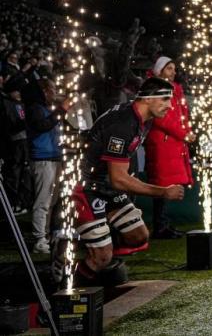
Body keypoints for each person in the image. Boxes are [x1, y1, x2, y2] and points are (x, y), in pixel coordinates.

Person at [68, 77, 185, 286]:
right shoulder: (123, 123)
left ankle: (100, 255)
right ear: (148, 99)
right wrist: (163, 192)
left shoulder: (142, 118)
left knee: (138, 236)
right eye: (165, 99)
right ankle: (71, 291)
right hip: (87, 188)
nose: (169, 105)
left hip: (106, 185)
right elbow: (118, 179)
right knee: (101, 257)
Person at [144, 57, 194, 239]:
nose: (173, 72)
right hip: (163, 142)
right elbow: (161, 118)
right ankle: (160, 226)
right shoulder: (155, 90)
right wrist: (184, 133)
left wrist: (186, 131)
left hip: (171, 142)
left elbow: (180, 116)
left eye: (174, 68)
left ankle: (163, 224)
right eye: (169, 68)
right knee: (161, 183)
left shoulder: (173, 91)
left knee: (167, 183)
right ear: (160, 71)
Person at [25, 79, 70, 253]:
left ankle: (47, 235)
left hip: (53, 157)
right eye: (52, 89)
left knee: (51, 200)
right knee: (43, 201)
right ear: (44, 90)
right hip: (42, 159)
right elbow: (42, 126)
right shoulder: (35, 109)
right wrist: (61, 110)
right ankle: (39, 239)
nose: (54, 92)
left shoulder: (45, 108)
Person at [0, 74, 32, 214]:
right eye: (17, 91)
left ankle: (22, 202)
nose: (19, 94)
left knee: (24, 174)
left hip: (24, 142)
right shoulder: (6, 103)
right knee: (14, 174)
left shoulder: (21, 103)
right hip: (14, 144)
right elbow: (9, 125)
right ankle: (12, 203)